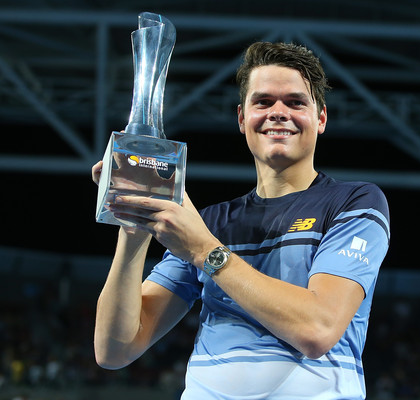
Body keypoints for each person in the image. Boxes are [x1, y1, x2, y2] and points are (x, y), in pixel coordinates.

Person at [92, 41, 391, 399]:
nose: (278, 112)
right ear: (241, 118)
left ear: (321, 118)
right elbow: (115, 349)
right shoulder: (212, 222)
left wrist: (205, 251)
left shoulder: (354, 203)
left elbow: (317, 329)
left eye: (295, 102)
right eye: (263, 101)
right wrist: (137, 220)